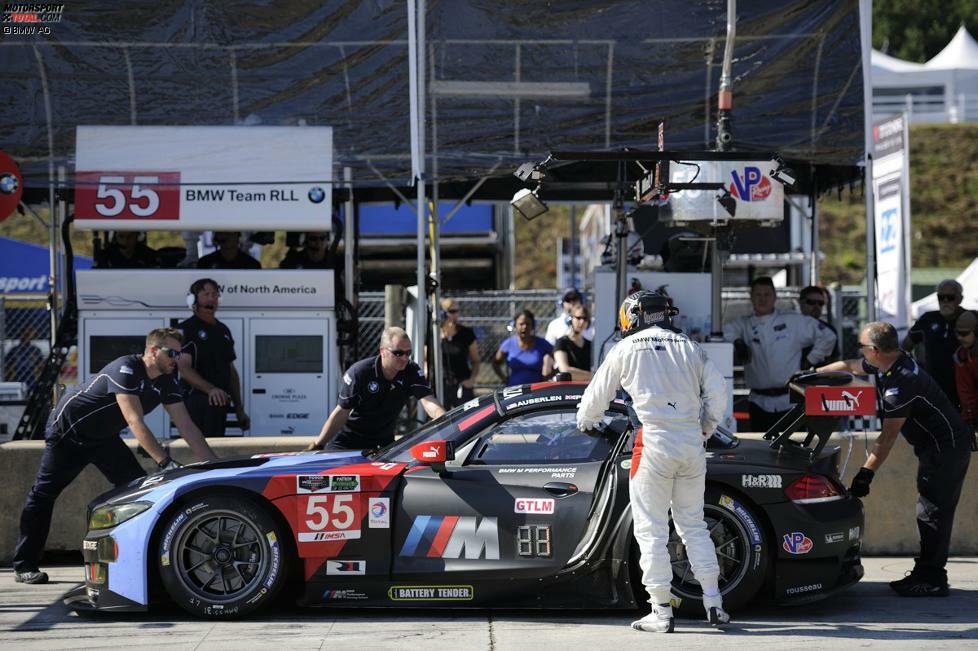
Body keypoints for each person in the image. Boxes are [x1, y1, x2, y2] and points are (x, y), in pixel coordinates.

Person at [11, 327, 218, 585]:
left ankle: (137, 561)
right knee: (43, 495)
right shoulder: (126, 368)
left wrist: (215, 467)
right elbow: (134, 420)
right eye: (172, 353)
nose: (177, 359)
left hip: (103, 438)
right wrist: (164, 462)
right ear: (153, 351)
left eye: (181, 353)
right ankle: (24, 565)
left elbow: (187, 427)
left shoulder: (167, 381)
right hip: (68, 432)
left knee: (138, 490)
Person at [576, 291, 729, 632]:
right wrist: (705, 428)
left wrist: (588, 421)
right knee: (693, 525)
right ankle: (714, 602)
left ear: (634, 314)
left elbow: (592, 403)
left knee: (651, 531)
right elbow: (718, 394)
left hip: (653, 445)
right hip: (691, 444)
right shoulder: (690, 347)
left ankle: (661, 611)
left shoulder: (625, 349)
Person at [819, 321, 973, 597]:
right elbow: (850, 365)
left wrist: (865, 474)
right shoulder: (888, 361)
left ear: (875, 350)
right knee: (930, 509)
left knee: (932, 511)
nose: (861, 352)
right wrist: (808, 375)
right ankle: (926, 570)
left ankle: (933, 578)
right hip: (936, 445)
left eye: (863, 347)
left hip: (946, 447)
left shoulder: (902, 382)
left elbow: (887, 438)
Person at [723, 276, 836, 432]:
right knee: (761, 451)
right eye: (758, 295)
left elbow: (828, 336)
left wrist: (810, 360)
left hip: (790, 401)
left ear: (775, 297)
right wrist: (738, 342)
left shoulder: (793, 321)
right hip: (758, 403)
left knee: (794, 451)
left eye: (767, 294)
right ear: (751, 298)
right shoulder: (743, 324)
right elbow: (725, 333)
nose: (763, 299)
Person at [305, 327, 445, 451]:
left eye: (408, 353)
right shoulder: (360, 373)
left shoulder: (411, 371)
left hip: (383, 445)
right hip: (347, 443)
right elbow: (342, 412)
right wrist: (318, 444)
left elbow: (429, 401)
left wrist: (443, 418)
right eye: (398, 353)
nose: (405, 358)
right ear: (383, 351)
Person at [177, 278, 250, 437]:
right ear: (193, 299)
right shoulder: (186, 329)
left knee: (216, 451)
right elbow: (184, 368)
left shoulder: (223, 330)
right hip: (195, 402)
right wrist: (211, 390)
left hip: (219, 403)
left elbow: (231, 371)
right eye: (206, 294)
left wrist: (239, 408)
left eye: (215, 294)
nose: (211, 299)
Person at [903, 279, 966, 407]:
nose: (945, 301)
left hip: (964, 385)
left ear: (960, 298)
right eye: (941, 297)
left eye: (950, 297)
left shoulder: (969, 318)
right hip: (934, 386)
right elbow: (906, 345)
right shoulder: (928, 319)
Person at [437, 297, 480, 408]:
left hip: (462, 383)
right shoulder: (435, 334)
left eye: (457, 310)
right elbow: (426, 360)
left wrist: (471, 380)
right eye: (452, 311)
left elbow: (475, 361)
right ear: (442, 313)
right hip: (441, 384)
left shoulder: (466, 333)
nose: (456, 314)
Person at [493, 310, 554, 386]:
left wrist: (548, 376)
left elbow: (557, 357)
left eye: (528, 324)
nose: (525, 327)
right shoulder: (509, 344)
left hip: (537, 392)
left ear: (533, 325)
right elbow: (496, 363)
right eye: (521, 324)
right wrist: (504, 378)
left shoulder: (542, 343)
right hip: (514, 390)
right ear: (515, 325)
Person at [798, 285, 840, 363]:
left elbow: (834, 361)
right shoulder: (790, 326)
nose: (816, 307)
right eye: (811, 302)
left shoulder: (829, 330)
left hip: (820, 373)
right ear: (800, 303)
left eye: (820, 303)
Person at [952, 310, 978, 427]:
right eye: (957, 333)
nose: (959, 337)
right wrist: (969, 421)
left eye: (964, 333)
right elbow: (966, 393)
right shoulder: (961, 357)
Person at [553, 304, 593, 380]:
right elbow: (565, 370)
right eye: (578, 318)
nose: (581, 322)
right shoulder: (561, 342)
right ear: (570, 319)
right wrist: (592, 375)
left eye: (585, 319)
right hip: (568, 389)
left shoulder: (590, 345)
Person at [97, 231, 161, 269]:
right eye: (121, 237)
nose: (125, 241)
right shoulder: (104, 256)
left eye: (130, 237)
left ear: (137, 237)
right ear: (115, 237)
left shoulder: (149, 255)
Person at [197, 232, 261, 269]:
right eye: (222, 232)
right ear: (216, 238)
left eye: (230, 232)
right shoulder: (205, 263)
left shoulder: (252, 264)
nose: (226, 235)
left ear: (238, 236)